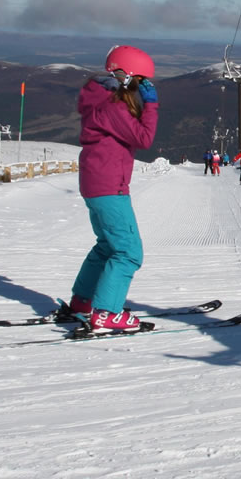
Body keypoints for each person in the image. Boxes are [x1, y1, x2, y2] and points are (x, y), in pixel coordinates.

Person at [64, 45, 159, 333]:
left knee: (106, 245)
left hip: (95, 184)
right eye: (141, 81)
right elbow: (143, 138)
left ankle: (83, 301)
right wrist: (152, 105)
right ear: (128, 78)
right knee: (129, 252)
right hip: (108, 188)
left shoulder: (99, 98)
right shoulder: (113, 106)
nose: (143, 87)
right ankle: (106, 313)